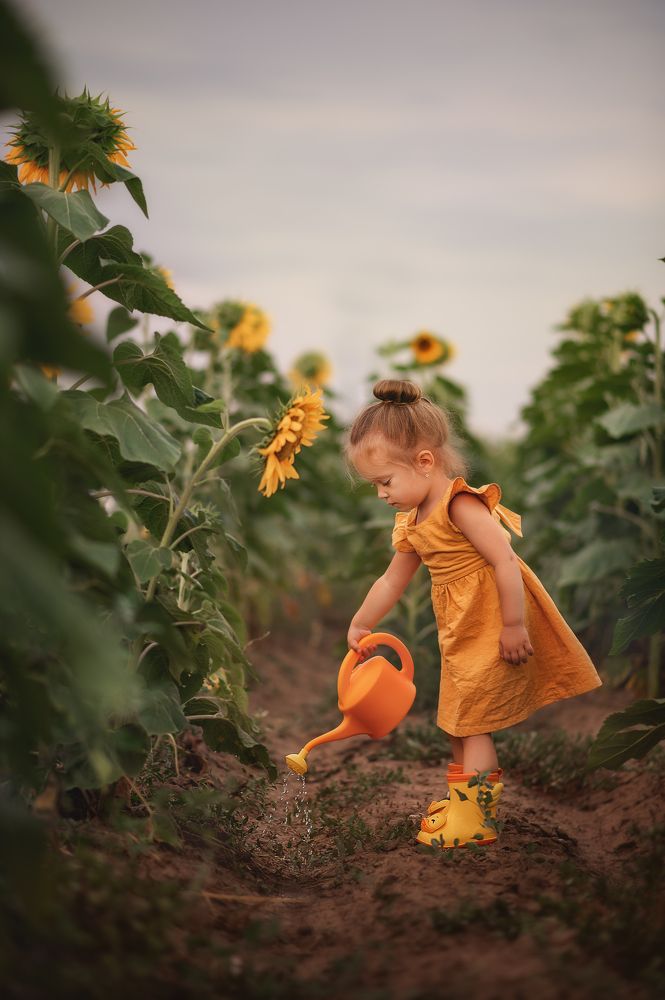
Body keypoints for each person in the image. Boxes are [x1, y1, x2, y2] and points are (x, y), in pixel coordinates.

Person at [345, 378, 603, 849]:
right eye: (375, 486)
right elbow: (391, 580)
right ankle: (463, 800)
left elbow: (504, 558)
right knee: (457, 718)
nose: (381, 494)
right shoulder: (413, 519)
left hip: (489, 619)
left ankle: (477, 817)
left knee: (474, 721)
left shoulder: (459, 504)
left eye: (385, 482)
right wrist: (363, 622)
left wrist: (512, 624)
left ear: (425, 462)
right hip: (459, 627)